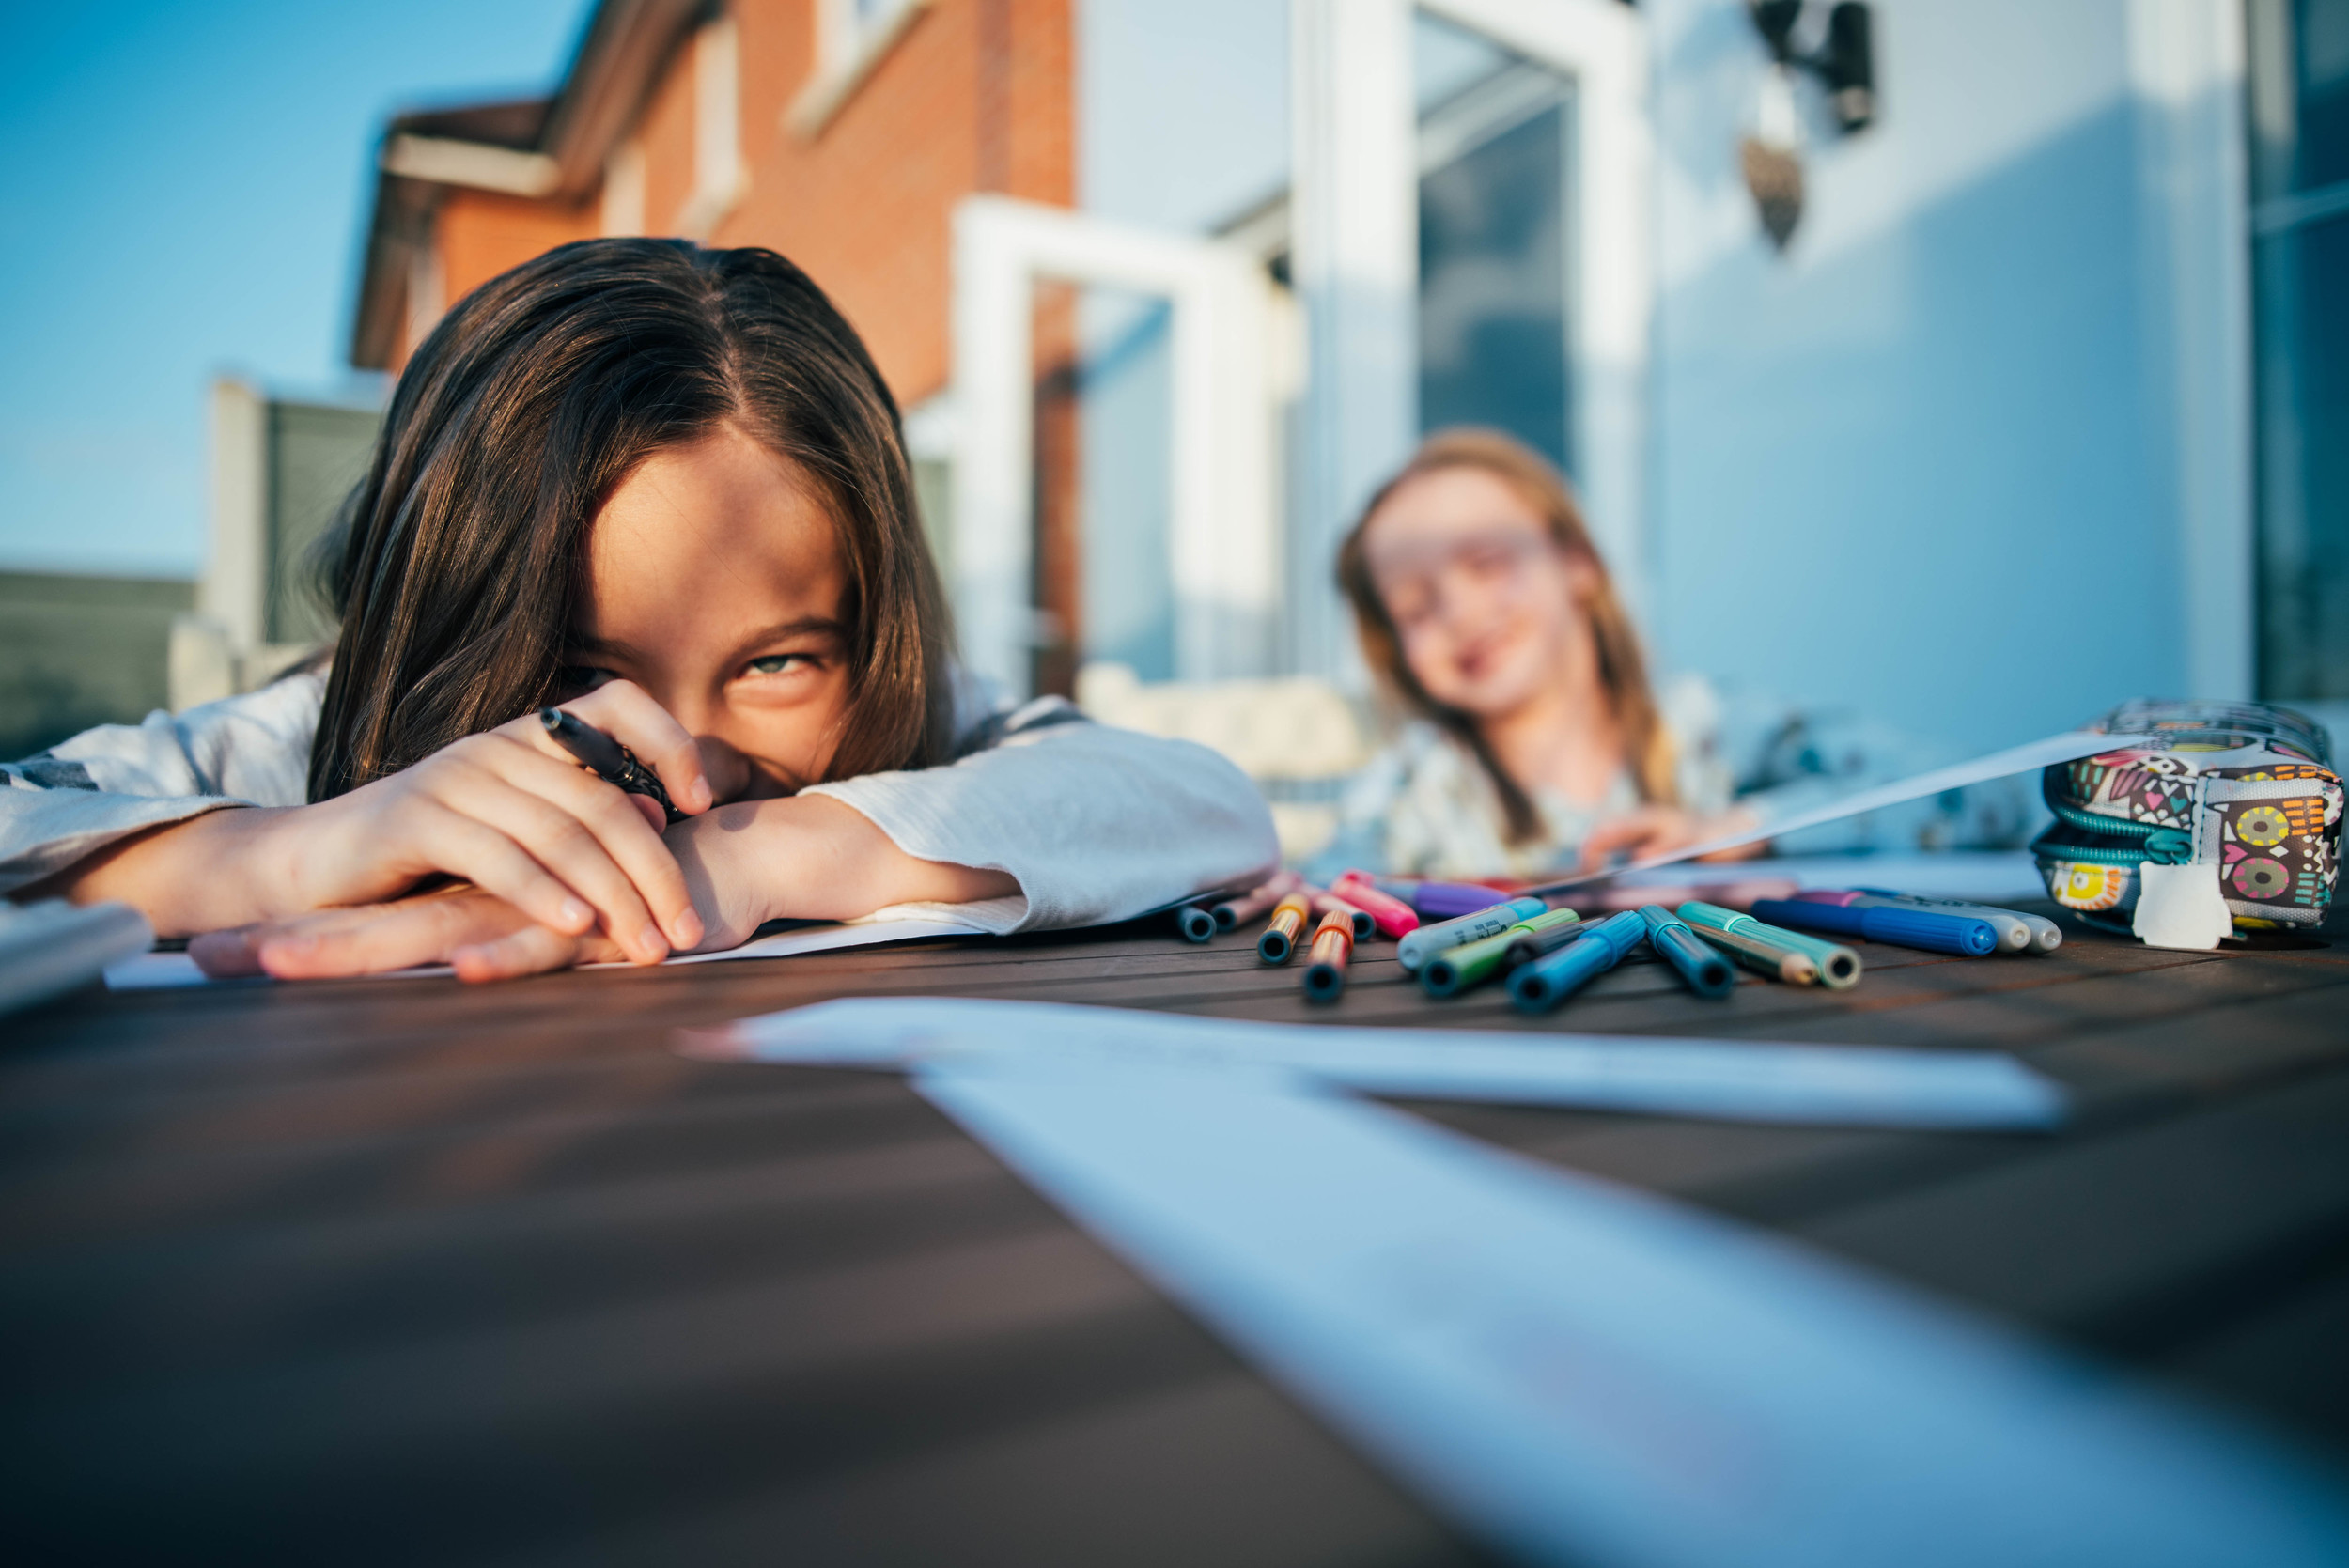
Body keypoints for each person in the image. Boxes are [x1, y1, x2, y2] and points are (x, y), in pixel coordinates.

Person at [0, 240, 1276, 980]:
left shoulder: (915, 719)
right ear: (443, 621)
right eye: (573, 665)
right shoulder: (312, 741)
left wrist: (769, 856)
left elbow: (1209, 806)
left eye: (775, 661)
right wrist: (280, 852)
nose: (687, 765)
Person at [1325, 428, 2026, 880]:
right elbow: (1317, 884)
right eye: (1415, 607)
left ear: (1578, 563)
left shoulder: (1714, 731)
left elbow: (1988, 795)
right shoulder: (1414, 789)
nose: (1461, 612)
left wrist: (1752, 830)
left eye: (1486, 560)